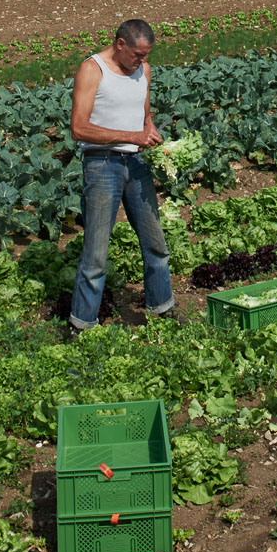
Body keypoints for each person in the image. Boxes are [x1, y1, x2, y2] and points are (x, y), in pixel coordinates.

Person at [67, 18, 175, 332]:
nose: (143, 61)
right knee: (96, 253)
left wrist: (149, 132)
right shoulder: (92, 69)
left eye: (147, 55)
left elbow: (144, 116)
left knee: (156, 244)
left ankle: (162, 310)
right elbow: (79, 128)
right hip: (102, 165)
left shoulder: (144, 70)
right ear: (120, 44)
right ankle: (81, 325)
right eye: (137, 54)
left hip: (137, 165)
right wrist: (130, 137)